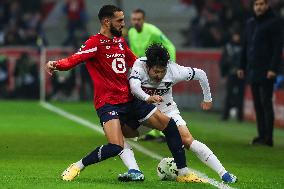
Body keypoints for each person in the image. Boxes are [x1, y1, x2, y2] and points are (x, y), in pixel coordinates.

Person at [46, 5, 205, 183]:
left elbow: (136, 62)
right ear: (107, 22)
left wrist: (157, 70)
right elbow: (74, 59)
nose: (124, 24)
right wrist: (56, 64)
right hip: (108, 103)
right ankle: (78, 165)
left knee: (170, 126)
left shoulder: (120, 42)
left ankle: (183, 173)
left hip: (130, 99)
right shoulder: (95, 43)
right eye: (120, 20)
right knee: (115, 146)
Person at [118, 44, 237, 183]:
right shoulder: (139, 66)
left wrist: (207, 98)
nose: (159, 75)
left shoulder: (174, 70)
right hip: (144, 112)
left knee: (187, 140)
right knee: (117, 135)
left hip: (167, 110)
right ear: (148, 66)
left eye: (162, 71)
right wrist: (147, 98)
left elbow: (201, 74)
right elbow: (134, 87)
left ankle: (224, 174)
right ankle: (134, 170)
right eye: (156, 71)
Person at [237, 0, 283, 147]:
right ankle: (261, 135)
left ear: (267, 5)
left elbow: (277, 48)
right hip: (253, 69)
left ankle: (268, 138)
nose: (259, 7)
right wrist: (241, 66)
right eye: (256, 4)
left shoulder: (274, 22)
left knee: (266, 103)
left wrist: (273, 69)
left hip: (266, 70)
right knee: (258, 104)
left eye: (262, 4)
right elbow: (245, 46)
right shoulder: (250, 23)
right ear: (253, 6)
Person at [128, 8, 176, 140]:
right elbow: (134, 53)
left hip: (158, 70)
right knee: (148, 99)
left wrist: (167, 67)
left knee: (163, 99)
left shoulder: (153, 31)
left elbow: (170, 46)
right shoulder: (131, 32)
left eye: (139, 19)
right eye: (134, 19)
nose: (136, 22)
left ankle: (164, 130)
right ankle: (153, 131)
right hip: (145, 71)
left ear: (143, 20)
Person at [219, 31, 245, 121]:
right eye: (235, 35)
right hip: (231, 73)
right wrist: (224, 73)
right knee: (229, 95)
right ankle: (225, 115)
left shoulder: (243, 46)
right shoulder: (229, 47)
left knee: (240, 96)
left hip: (241, 74)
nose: (236, 37)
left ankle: (240, 117)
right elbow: (223, 61)